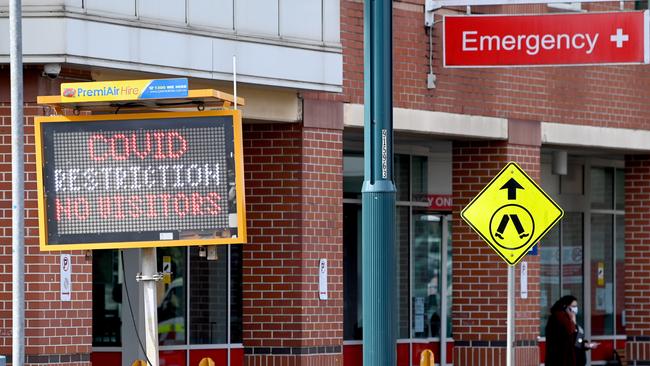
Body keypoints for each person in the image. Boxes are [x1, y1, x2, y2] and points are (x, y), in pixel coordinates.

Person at [545, 295, 579, 366]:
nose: (575, 309)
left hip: (565, 358)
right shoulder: (559, 319)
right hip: (559, 359)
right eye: (573, 306)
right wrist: (573, 322)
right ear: (565, 307)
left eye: (576, 306)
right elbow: (570, 337)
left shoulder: (568, 319)